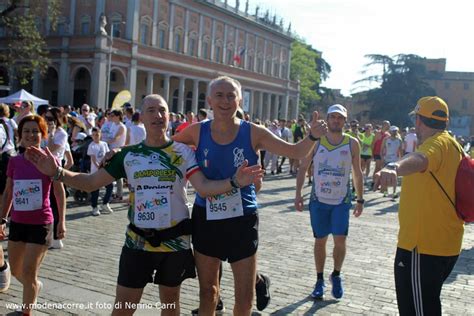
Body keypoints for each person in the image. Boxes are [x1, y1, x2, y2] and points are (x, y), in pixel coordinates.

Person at [24, 94, 263, 316]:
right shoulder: (127, 156)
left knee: (170, 308)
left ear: (169, 116)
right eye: (151, 110)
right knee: (123, 309)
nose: (158, 115)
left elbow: (204, 187)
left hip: (174, 244)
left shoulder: (184, 153)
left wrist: (234, 181)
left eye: (162, 110)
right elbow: (90, 182)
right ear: (142, 116)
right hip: (137, 243)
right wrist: (58, 173)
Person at [172, 76, 327, 315]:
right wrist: (121, 153)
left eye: (231, 95)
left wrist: (313, 137)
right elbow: (164, 148)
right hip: (206, 217)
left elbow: (295, 151)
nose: (225, 101)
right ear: (210, 100)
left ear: (240, 100)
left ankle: (258, 284)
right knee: (208, 292)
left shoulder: (254, 133)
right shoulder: (197, 131)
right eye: (220, 96)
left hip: (242, 218)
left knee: (244, 299)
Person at [377, 96, 464, 316]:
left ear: (418, 121)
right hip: (440, 244)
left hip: (421, 247)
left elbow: (421, 159)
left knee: (416, 311)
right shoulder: (452, 144)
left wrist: (393, 167)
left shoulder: (436, 144)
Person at [294, 104, 364, 300]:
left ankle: (336, 274)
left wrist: (360, 199)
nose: (336, 120)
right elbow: (303, 167)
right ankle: (319, 280)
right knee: (320, 240)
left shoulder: (352, 143)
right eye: (332, 117)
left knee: (340, 240)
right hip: (318, 199)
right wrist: (298, 193)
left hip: (341, 201)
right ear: (328, 118)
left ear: (345, 120)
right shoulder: (316, 141)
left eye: (339, 118)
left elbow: (357, 174)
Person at [1, 115, 66, 314]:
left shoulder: (50, 161)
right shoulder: (14, 161)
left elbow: (59, 191)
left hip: (41, 223)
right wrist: (2, 219)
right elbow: (8, 192)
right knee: (17, 270)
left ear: (43, 135)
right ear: (20, 135)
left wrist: (61, 222)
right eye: (27, 131)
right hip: (18, 223)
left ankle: (26, 311)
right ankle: (34, 286)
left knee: (29, 272)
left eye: (35, 131)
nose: (31, 135)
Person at [87, 127, 113, 216]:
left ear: (100, 134)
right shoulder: (91, 145)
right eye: (93, 135)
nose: (95, 137)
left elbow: (107, 155)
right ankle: (94, 207)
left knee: (110, 186)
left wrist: (107, 164)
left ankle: (105, 203)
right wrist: (99, 167)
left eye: (97, 135)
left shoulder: (104, 144)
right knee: (95, 190)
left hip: (105, 170)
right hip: (96, 171)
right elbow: (93, 159)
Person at [381, 126, 402, 198]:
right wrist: (382, 158)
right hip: (387, 159)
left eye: (396, 131)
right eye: (393, 131)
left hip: (395, 161)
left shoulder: (399, 140)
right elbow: (382, 149)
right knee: (385, 177)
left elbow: (400, 151)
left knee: (394, 177)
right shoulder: (386, 139)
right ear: (390, 131)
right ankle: (386, 191)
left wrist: (401, 160)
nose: (394, 132)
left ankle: (394, 192)